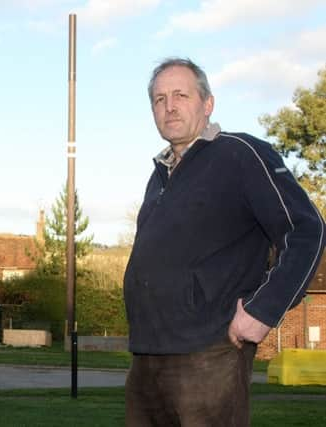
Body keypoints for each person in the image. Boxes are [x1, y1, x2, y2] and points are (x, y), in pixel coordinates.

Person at [123, 57, 325, 426]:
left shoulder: (240, 154)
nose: (169, 106)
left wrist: (263, 310)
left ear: (207, 103)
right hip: (147, 355)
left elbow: (307, 230)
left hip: (208, 352)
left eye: (181, 95)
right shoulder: (160, 177)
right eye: (159, 99)